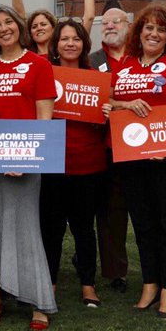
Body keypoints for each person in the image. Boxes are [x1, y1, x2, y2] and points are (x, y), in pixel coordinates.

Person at [0, 5, 57, 330]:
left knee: (25, 228)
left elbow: (45, 118)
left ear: (18, 25)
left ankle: (37, 299)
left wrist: (27, 160)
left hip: (25, 161)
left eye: (8, 22)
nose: (3, 29)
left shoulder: (39, 65)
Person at [107, 5, 166, 317]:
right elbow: (108, 100)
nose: (154, 33)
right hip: (132, 156)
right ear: (139, 32)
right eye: (148, 27)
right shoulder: (125, 65)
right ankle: (149, 283)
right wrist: (125, 104)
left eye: (161, 29)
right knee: (142, 222)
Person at [41, 19, 108, 307]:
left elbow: (107, 122)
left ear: (84, 44)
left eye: (76, 39)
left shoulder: (97, 78)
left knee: (84, 228)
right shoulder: (45, 74)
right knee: (51, 228)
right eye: (64, 39)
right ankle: (49, 283)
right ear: (55, 45)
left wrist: (106, 113)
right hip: (52, 162)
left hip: (88, 163)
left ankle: (88, 285)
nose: (70, 44)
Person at [90, 7, 131, 293]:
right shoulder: (92, 61)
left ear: (128, 25)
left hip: (142, 144)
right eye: (105, 23)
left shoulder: (142, 57)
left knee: (142, 211)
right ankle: (115, 271)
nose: (109, 26)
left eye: (116, 21)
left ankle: (155, 272)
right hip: (106, 145)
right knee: (110, 212)